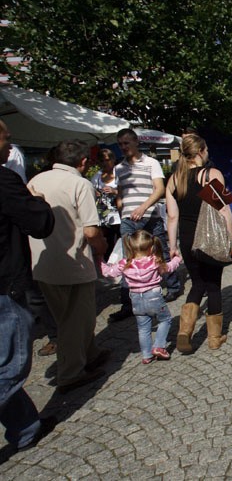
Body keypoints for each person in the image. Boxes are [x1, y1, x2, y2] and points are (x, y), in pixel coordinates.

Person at [27, 140, 110, 394]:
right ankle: (70, 373)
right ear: (83, 162)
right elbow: (91, 229)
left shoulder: (36, 181)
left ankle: (90, 353)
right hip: (73, 262)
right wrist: (102, 247)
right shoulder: (80, 184)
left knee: (65, 316)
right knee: (77, 320)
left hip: (41, 261)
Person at [0, 120, 57, 456]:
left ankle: (25, 429)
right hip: (5, 285)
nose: (11, 147)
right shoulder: (5, 180)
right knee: (9, 367)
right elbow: (40, 224)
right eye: (7, 138)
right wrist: (35, 200)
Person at [165, 134, 232, 353]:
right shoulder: (210, 175)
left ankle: (185, 331)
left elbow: (172, 217)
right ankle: (214, 338)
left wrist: (172, 245)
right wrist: (231, 237)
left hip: (186, 237)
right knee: (213, 284)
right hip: (208, 237)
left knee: (197, 283)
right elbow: (222, 209)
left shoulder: (175, 179)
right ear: (202, 151)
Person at [110, 128, 181, 322]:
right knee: (128, 260)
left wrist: (143, 207)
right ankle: (128, 303)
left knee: (161, 252)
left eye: (126, 143)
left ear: (135, 142)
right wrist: (120, 209)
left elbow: (159, 189)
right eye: (120, 144)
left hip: (150, 216)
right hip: (127, 218)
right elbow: (120, 193)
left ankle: (173, 286)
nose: (123, 147)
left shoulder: (151, 163)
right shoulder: (119, 168)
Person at [100, 230, 181, 364]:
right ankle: (159, 346)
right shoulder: (154, 261)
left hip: (136, 299)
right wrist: (177, 258)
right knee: (165, 320)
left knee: (143, 327)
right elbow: (168, 268)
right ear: (151, 248)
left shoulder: (124, 263)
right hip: (154, 296)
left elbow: (109, 272)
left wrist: (100, 260)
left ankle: (146, 354)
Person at [91, 149, 121, 261]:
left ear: (113, 160)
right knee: (107, 242)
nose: (105, 163)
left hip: (120, 215)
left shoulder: (119, 173)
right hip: (104, 217)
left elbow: (128, 191)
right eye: (102, 160)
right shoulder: (96, 177)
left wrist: (115, 191)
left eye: (108, 160)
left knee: (121, 241)